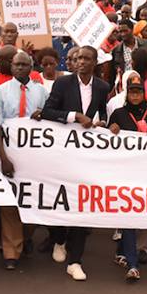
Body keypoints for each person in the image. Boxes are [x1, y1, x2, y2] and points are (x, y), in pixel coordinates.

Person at [40, 45, 110, 281]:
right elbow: (47, 111)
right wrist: (74, 116)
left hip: (87, 158)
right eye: (78, 58)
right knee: (57, 199)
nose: (81, 62)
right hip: (62, 154)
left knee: (82, 204)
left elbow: (102, 115)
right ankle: (59, 238)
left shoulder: (102, 87)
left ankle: (75, 261)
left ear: (94, 63)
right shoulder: (62, 83)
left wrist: (101, 124)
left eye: (86, 58)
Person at [0, 50, 48, 270]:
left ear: (31, 67)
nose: (21, 68)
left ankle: (24, 238)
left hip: (35, 157)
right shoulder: (0, 92)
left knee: (32, 200)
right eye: (17, 65)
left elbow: (51, 119)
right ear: (11, 67)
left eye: (25, 65)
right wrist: (3, 158)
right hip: (10, 155)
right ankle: (10, 253)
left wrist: (43, 115)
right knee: (9, 204)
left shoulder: (42, 92)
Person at [107, 72, 147, 282]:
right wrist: (110, 129)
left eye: (139, 91)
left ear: (144, 93)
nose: (136, 95)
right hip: (124, 173)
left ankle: (121, 253)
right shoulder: (119, 115)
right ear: (127, 94)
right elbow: (108, 143)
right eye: (132, 92)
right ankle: (132, 264)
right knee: (129, 215)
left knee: (138, 216)